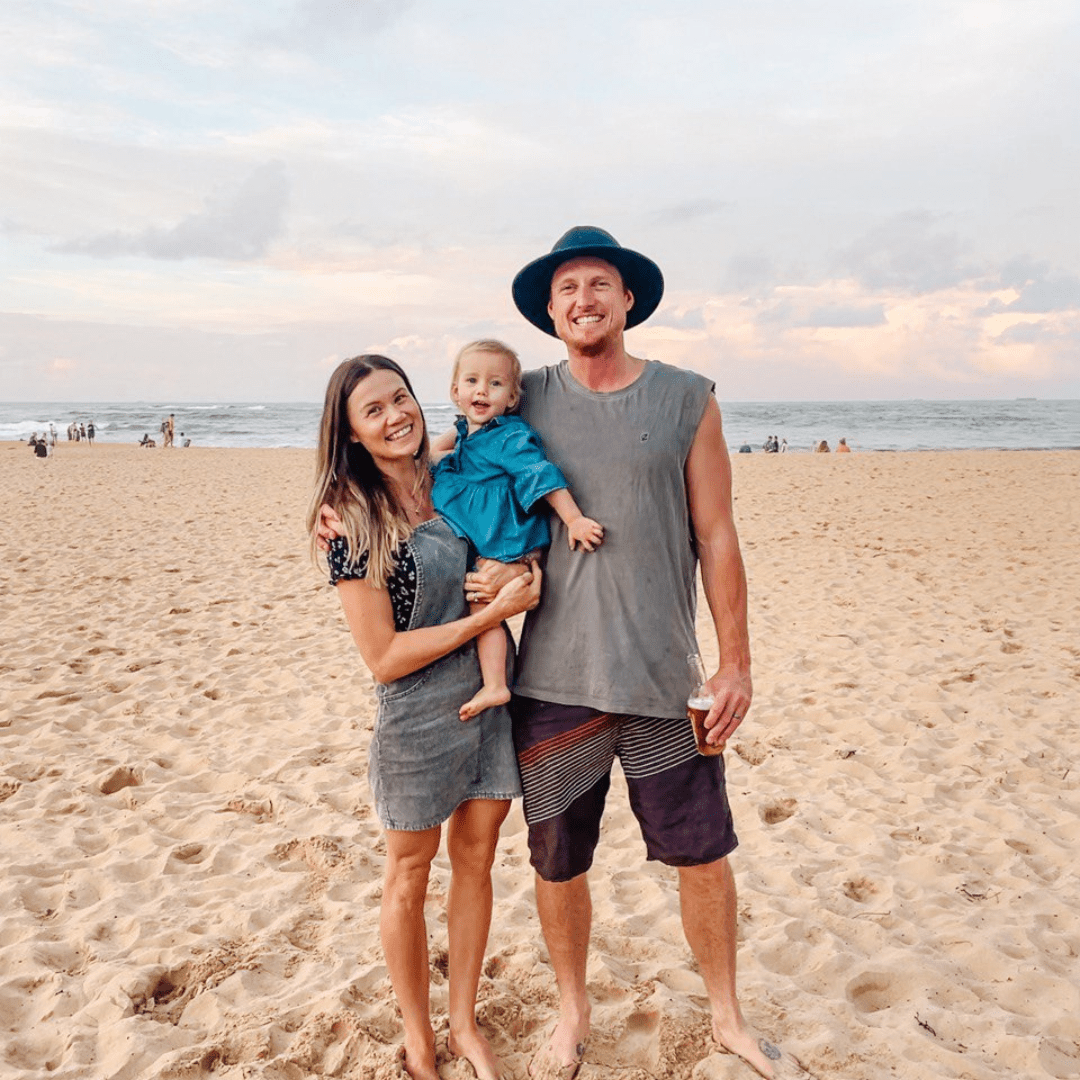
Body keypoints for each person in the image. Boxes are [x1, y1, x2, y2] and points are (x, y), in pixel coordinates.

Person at [468, 225, 794, 1079]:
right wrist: (346, 507)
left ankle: (726, 1015)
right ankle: (572, 1011)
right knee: (558, 860)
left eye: (599, 285)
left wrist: (735, 662)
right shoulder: (523, 398)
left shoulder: (687, 398)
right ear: (550, 311)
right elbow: (444, 471)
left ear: (628, 300)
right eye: (568, 289)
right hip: (554, 680)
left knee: (703, 853)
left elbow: (717, 534)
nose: (584, 300)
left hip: (663, 678)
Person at [308, 354, 540, 1080]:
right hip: (414, 716)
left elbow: (512, 539)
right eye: (372, 410)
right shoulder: (351, 519)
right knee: (409, 875)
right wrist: (490, 618)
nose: (394, 417)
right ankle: (417, 1037)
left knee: (476, 863)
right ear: (350, 431)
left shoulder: (455, 475)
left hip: (490, 701)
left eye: (400, 398)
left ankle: (463, 1022)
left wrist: (516, 573)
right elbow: (383, 657)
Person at [430, 339, 603, 721]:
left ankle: (495, 683)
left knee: (481, 604)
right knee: (478, 602)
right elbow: (430, 456)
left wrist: (574, 519)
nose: (481, 390)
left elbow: (539, 474)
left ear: (511, 398)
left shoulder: (509, 437)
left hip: (505, 536)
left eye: (495, 383)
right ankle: (493, 680)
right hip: (484, 535)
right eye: (472, 381)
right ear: (455, 391)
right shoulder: (466, 433)